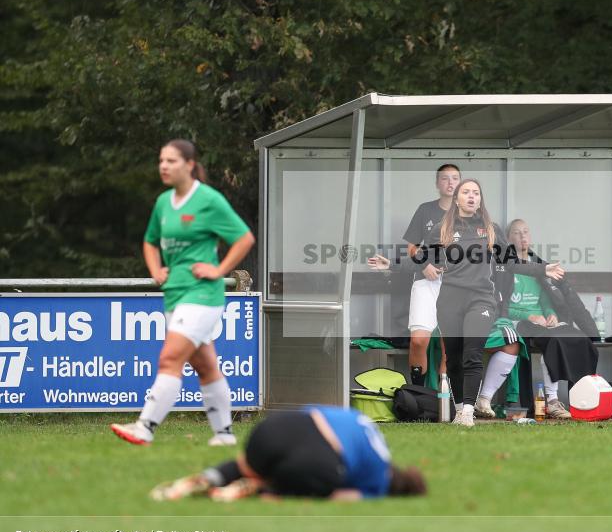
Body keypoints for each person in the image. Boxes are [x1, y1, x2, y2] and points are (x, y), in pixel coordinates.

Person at [369, 179, 565, 427]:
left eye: (476, 193)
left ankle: (467, 412)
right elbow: (421, 258)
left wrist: (543, 268)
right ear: (458, 199)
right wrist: (392, 264)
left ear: (480, 200)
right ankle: (460, 406)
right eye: (466, 192)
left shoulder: (491, 229)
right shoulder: (444, 228)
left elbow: (511, 262)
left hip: (481, 299)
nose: (472, 196)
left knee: (472, 353)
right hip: (449, 299)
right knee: (453, 358)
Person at [111, 139, 255, 446]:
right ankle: (225, 435)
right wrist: (155, 269)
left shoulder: (209, 199)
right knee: (205, 366)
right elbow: (150, 241)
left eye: (171, 161)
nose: (163, 166)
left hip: (202, 294)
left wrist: (219, 270)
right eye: (161, 160)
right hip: (175, 293)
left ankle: (145, 426)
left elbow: (244, 238)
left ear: (189, 165)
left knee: (169, 358)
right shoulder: (163, 202)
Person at [149, 406, 426, 501]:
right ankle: (258, 490)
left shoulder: (367, 427)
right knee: (314, 483)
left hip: (275, 429)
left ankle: (206, 478)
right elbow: (341, 497)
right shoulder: (378, 480)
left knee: (247, 464)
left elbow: (314, 412)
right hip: (311, 461)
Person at [478, 219, 599, 419]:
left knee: (575, 338)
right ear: (507, 239)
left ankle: (583, 401)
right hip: (517, 322)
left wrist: (550, 313)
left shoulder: (539, 266)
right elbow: (504, 305)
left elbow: (547, 298)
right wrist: (529, 316)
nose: (523, 236)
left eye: (526, 232)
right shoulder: (504, 267)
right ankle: (551, 400)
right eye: (517, 233)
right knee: (552, 342)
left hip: (543, 322)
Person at [400, 164, 460, 386]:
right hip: (426, 281)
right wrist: (424, 265)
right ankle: (417, 394)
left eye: (455, 178)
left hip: (455, 286)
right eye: (445, 179)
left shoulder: (469, 213)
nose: (450, 183)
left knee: (449, 346)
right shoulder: (425, 210)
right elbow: (412, 248)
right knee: (419, 341)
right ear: (437, 184)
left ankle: (445, 402)